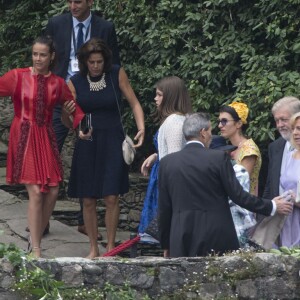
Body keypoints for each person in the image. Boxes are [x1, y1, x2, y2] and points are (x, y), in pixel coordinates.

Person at [158, 113, 293, 258]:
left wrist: (166, 244)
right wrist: (271, 205)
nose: (211, 135)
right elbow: (238, 196)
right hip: (216, 234)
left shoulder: (167, 163)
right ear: (203, 133)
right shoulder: (217, 158)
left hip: (181, 235)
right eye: (210, 130)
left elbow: (165, 208)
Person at [0, 36, 82, 258]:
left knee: (54, 190)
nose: (37, 58)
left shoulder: (57, 83)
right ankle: (36, 248)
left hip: (45, 136)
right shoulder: (17, 76)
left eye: (42, 54)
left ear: (51, 56)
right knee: (36, 192)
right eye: (35, 53)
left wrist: (79, 122)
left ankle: (34, 236)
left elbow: (75, 112)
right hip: (24, 134)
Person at [45, 0, 121, 237]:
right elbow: (46, 58)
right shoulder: (56, 24)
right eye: (69, 1)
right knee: (47, 155)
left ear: (90, 2)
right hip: (60, 100)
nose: (72, 6)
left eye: (78, 1)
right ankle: (42, 219)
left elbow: (113, 64)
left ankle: (83, 222)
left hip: (90, 102)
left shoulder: (105, 27)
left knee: (90, 158)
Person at [66, 38, 144, 258]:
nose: (96, 65)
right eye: (91, 62)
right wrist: (71, 119)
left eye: (99, 61)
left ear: (105, 60)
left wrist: (141, 128)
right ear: (84, 62)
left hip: (112, 139)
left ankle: (110, 247)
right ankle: (93, 248)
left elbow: (134, 102)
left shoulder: (116, 73)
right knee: (88, 198)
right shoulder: (75, 82)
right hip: (88, 141)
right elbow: (67, 119)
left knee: (111, 196)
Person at [138, 76, 193, 243]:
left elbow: (175, 158)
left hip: (168, 179)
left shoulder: (175, 122)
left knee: (168, 233)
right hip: (162, 171)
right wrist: (156, 155)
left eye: (159, 95)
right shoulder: (176, 120)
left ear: (170, 96)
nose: (155, 99)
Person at [250, 97, 300, 249]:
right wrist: (265, 214)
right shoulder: (275, 147)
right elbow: (270, 186)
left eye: (283, 120)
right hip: (279, 224)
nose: (279, 125)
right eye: (276, 120)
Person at [210, 135, 256, 248]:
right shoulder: (208, 172)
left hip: (237, 226)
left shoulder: (239, 171)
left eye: (226, 152)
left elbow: (235, 199)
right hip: (213, 228)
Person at [218, 101, 261, 196]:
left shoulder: (249, 150)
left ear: (239, 124)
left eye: (224, 121)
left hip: (245, 208)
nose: (220, 125)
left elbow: (240, 184)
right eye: (220, 121)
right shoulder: (232, 148)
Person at [277, 112, 300, 247]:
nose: (296, 133)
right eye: (294, 129)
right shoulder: (291, 155)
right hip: (287, 219)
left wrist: (295, 199)